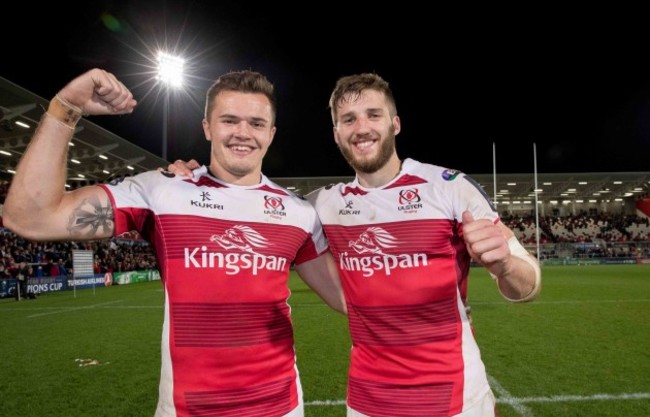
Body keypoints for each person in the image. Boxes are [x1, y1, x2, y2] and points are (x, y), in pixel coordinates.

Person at [168, 72, 542, 417]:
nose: (361, 128)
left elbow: (529, 286)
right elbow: (251, 203)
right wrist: (192, 178)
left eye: (373, 115)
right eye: (349, 120)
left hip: (458, 397)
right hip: (368, 401)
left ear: (395, 124)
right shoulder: (321, 206)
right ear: (336, 133)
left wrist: (505, 265)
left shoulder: (449, 188)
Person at [3, 68, 346, 417]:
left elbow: (348, 298)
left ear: (271, 133)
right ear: (207, 127)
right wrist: (66, 106)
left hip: (281, 408)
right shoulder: (162, 191)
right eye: (229, 120)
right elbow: (29, 216)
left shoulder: (297, 213)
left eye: (256, 123)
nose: (243, 133)